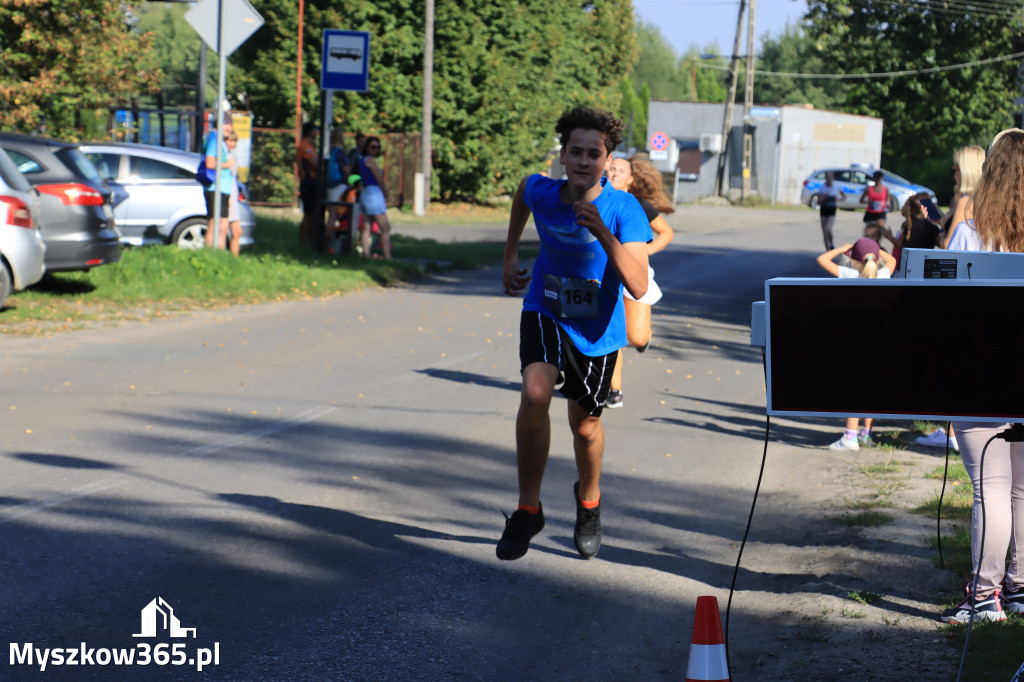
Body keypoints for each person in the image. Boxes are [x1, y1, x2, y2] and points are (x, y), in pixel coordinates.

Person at [497, 107, 651, 561]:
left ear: (607, 160)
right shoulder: (543, 191)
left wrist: (603, 231)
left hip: (597, 328)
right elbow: (524, 192)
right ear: (562, 155)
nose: (584, 161)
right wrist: (509, 256)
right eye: (576, 152)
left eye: (594, 154)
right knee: (535, 394)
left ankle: (589, 502)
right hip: (545, 307)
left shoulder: (624, 209)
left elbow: (639, 285)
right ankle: (528, 509)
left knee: (585, 428)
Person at [939, 128, 1024, 624]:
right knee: (1021, 490)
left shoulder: (972, 233)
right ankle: (1018, 589)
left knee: (988, 489)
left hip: (981, 371)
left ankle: (985, 597)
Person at [603, 155, 674, 408]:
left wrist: (648, 251)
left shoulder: (638, 205)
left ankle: (645, 339)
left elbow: (666, 232)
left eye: (621, 170)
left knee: (636, 337)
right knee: (615, 336)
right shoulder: (596, 199)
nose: (614, 173)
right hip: (604, 277)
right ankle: (614, 390)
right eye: (612, 169)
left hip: (635, 276)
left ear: (631, 179)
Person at [816, 238, 896, 450]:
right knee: (871, 388)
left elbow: (822, 259)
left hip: (856, 341)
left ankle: (850, 437)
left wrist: (844, 248)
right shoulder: (883, 275)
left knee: (853, 387)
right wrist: (877, 251)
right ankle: (866, 434)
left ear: (852, 260)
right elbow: (894, 261)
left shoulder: (850, 275)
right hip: (880, 343)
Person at [941, 145, 985, 249]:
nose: (954, 175)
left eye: (955, 170)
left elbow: (948, 246)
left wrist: (942, 228)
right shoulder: (989, 199)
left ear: (967, 172)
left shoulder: (966, 202)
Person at [880, 196, 940, 272]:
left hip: (906, 266)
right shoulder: (931, 227)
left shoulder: (908, 225)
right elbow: (943, 245)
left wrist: (889, 236)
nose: (902, 207)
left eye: (905, 205)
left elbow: (901, 246)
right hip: (923, 267)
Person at [357, 136, 393, 260]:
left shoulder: (362, 160)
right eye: (373, 146)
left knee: (367, 226)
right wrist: (385, 191)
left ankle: (366, 255)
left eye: (378, 147)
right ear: (367, 147)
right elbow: (379, 179)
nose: (375, 149)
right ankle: (387, 256)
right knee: (385, 227)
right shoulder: (371, 160)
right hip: (374, 194)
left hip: (366, 193)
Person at [203, 119, 235, 250]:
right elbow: (209, 163)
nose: (230, 127)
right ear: (220, 124)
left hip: (222, 189)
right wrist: (227, 164)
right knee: (215, 225)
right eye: (227, 124)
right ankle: (213, 257)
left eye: (231, 125)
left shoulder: (219, 139)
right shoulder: (214, 139)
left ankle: (218, 257)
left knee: (223, 226)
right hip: (216, 188)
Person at [324, 129, 351, 248]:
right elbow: (346, 169)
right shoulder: (339, 152)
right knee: (334, 216)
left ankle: (330, 244)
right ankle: (330, 244)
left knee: (331, 215)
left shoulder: (327, 151)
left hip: (329, 186)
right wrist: (351, 182)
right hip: (339, 186)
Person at [295, 122, 319, 248]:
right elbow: (316, 164)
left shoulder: (309, 146)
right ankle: (303, 243)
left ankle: (310, 242)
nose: (317, 133)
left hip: (311, 183)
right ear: (311, 132)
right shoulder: (305, 146)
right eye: (315, 130)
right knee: (309, 215)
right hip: (308, 184)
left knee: (313, 215)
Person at [222, 131, 244, 256]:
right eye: (229, 140)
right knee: (233, 230)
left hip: (233, 195)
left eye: (234, 140)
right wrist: (228, 197)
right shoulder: (224, 156)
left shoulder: (229, 154)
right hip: (228, 194)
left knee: (237, 231)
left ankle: (233, 258)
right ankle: (230, 257)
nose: (232, 143)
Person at [815, 171, 845, 250]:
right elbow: (818, 201)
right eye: (827, 176)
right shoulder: (822, 188)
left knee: (828, 229)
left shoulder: (836, 186)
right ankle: (827, 250)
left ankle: (831, 243)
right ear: (825, 178)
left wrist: (838, 199)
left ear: (833, 178)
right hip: (824, 210)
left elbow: (844, 197)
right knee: (824, 232)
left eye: (830, 176)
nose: (829, 178)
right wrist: (825, 197)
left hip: (832, 211)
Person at [859, 170, 889, 236]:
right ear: (873, 179)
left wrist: (888, 204)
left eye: (879, 179)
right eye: (876, 179)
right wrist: (867, 201)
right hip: (870, 213)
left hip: (881, 212)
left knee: (879, 229)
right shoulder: (869, 189)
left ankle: (876, 244)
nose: (877, 181)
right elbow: (861, 200)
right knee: (869, 232)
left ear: (882, 179)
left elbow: (888, 198)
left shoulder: (885, 189)